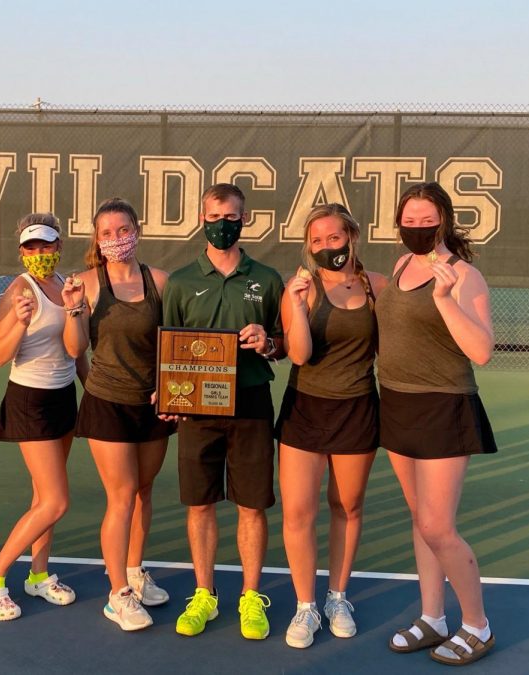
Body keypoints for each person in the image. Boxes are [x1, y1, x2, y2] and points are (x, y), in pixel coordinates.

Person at [377, 182, 497, 666]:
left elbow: (482, 351)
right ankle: (434, 617)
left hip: (444, 406)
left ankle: (477, 626)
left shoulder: (465, 276)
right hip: (398, 403)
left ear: (443, 222)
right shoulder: (402, 265)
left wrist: (446, 299)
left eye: (428, 222)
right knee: (420, 521)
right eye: (411, 221)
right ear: (399, 224)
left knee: (437, 526)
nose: (419, 229)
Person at [161, 183, 283, 640]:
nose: (223, 224)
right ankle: (204, 594)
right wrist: (167, 392)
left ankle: (251, 597)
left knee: (252, 505)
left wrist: (267, 342)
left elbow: (284, 343)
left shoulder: (267, 278)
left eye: (232, 217)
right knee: (201, 503)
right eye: (215, 216)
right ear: (201, 217)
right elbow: (167, 345)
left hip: (251, 402)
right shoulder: (180, 281)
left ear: (244, 219)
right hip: (196, 406)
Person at [275, 204, 387, 648]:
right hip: (305, 409)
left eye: (333, 238)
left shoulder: (376, 287)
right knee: (298, 512)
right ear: (308, 245)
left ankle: (338, 597)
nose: (325, 246)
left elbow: (387, 350)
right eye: (316, 240)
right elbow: (298, 355)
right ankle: (307, 607)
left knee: (347, 507)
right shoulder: (298, 288)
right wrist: (299, 307)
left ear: (351, 237)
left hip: (357, 410)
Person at [62, 198, 175, 631]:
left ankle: (134, 570)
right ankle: (117, 595)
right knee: (123, 495)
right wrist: (74, 308)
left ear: (137, 231)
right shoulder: (86, 284)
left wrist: (170, 392)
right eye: (106, 233)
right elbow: (75, 349)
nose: (116, 239)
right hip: (107, 402)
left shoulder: (159, 281)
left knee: (144, 490)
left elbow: (174, 344)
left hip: (153, 405)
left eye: (123, 229)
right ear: (97, 239)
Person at [0, 213, 87, 620]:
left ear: (59, 246)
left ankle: (38, 575)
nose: (40, 254)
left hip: (63, 398)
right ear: (21, 251)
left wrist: (91, 392)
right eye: (31, 247)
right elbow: (1, 355)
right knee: (56, 501)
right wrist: (20, 322)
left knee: (44, 496)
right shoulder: (18, 291)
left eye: (46, 245)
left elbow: (77, 352)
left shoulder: (65, 286)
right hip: (30, 400)